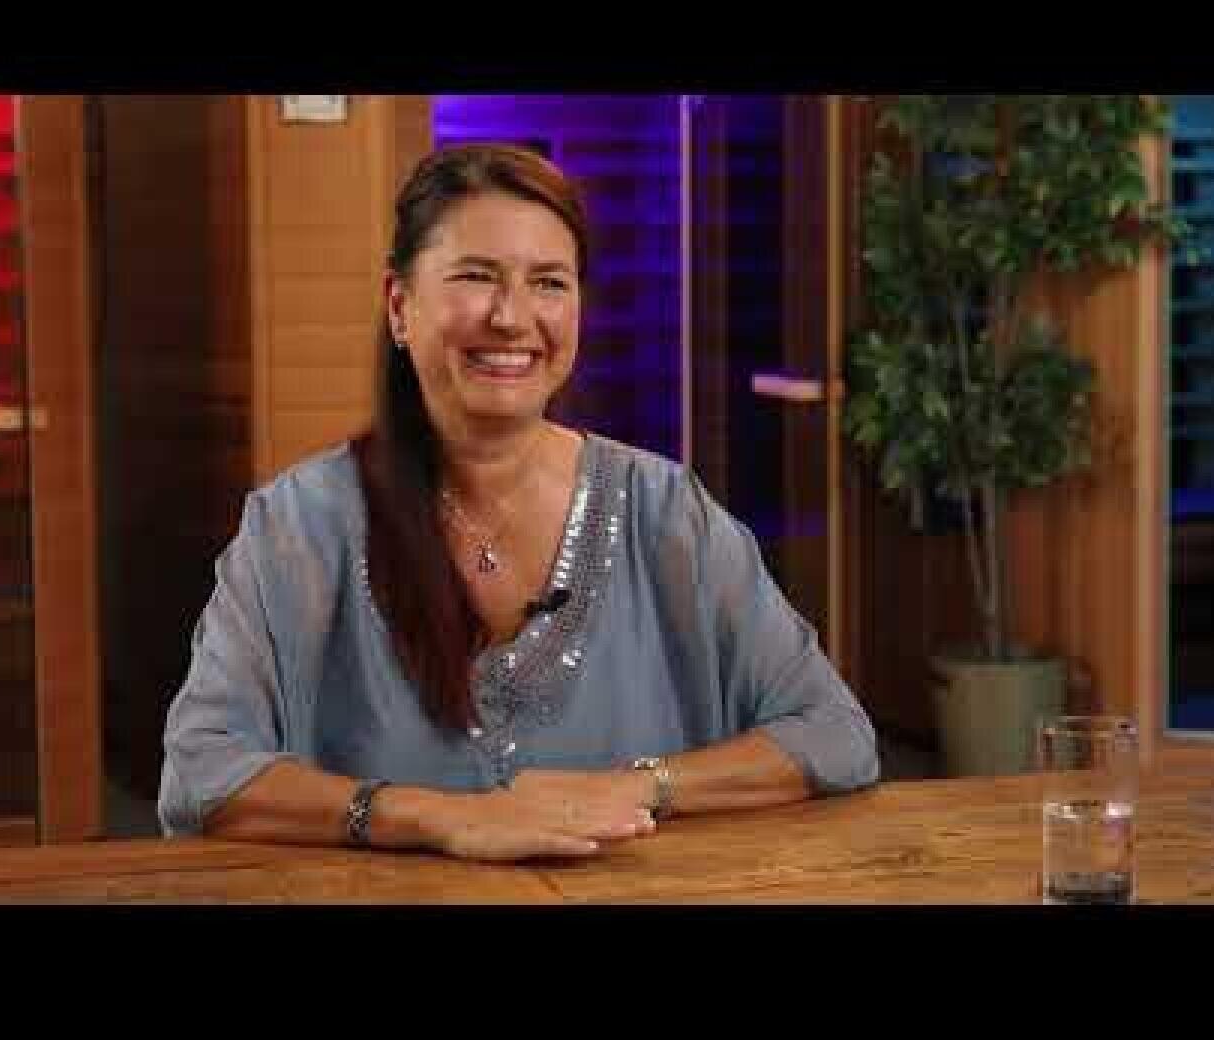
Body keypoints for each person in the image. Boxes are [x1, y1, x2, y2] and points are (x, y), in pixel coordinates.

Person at [158, 142, 879, 862]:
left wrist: (640, 785)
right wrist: (437, 818)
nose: (512, 316)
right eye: (476, 276)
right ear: (400, 307)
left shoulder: (665, 512)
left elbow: (833, 733)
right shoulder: (298, 525)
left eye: (549, 283)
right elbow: (202, 774)